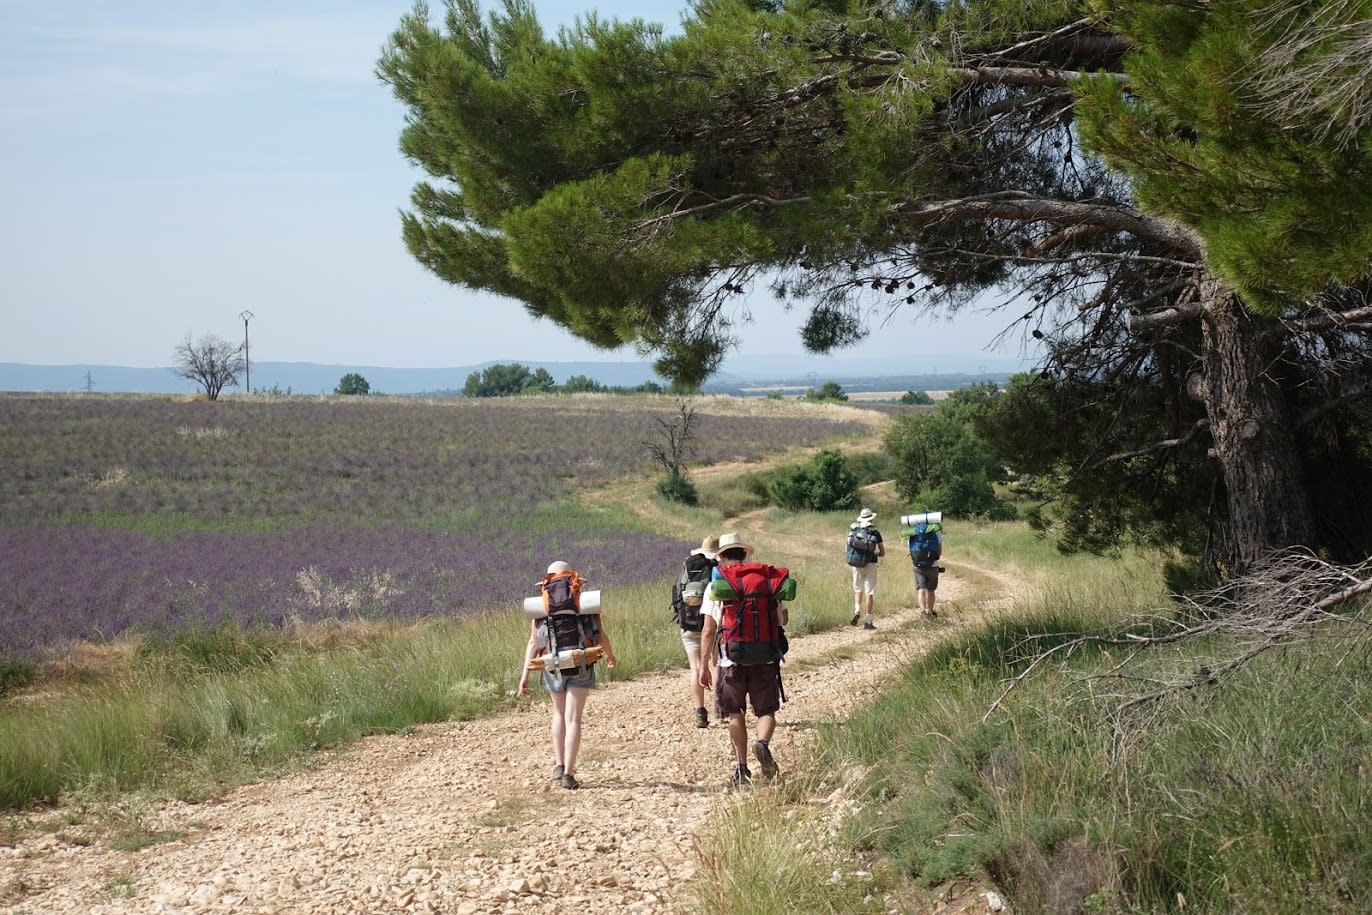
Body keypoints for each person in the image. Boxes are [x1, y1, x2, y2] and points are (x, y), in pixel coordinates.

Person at [699, 532, 791, 788]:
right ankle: (761, 744)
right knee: (766, 711)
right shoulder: (766, 581)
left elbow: (708, 629)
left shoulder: (718, 585)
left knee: (735, 713)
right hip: (764, 655)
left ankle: (742, 770)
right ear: (745, 554)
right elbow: (783, 619)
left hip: (731, 659)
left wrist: (704, 664)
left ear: (721, 557)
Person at [517, 560, 617, 789]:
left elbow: (533, 643)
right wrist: (610, 656)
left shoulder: (542, 608)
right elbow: (600, 635)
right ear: (572, 580)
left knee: (559, 714)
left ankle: (559, 764)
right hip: (581, 663)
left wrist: (524, 677)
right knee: (574, 719)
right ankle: (569, 775)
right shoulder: (583, 602)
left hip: (552, 665)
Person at [672, 535, 719, 728]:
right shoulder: (717, 567)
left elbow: (676, 593)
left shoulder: (688, 566)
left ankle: (700, 712)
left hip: (689, 625)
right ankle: (720, 706)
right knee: (716, 664)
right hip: (713, 624)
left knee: (695, 668)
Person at [847, 508, 885, 630]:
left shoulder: (853, 531)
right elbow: (882, 552)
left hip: (856, 564)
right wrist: (874, 555)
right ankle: (868, 621)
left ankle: (857, 610)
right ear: (871, 519)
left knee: (858, 588)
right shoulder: (875, 533)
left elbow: (848, 549)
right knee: (869, 592)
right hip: (871, 564)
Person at [908, 522, 944, 617]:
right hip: (933, 565)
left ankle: (923, 612)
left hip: (917, 566)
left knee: (921, 589)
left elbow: (910, 550)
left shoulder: (913, 532)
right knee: (931, 590)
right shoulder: (936, 531)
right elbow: (939, 552)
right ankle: (931, 611)